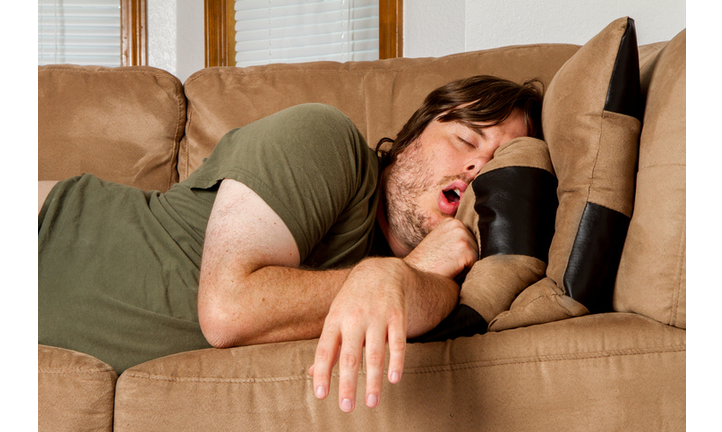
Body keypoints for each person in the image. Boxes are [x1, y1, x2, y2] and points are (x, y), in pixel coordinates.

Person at [38, 75, 543, 413]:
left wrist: (410, 273)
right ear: (411, 139)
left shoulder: (436, 274)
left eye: (497, 162)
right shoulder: (326, 140)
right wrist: (402, 268)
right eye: (466, 140)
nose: (477, 168)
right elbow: (228, 309)